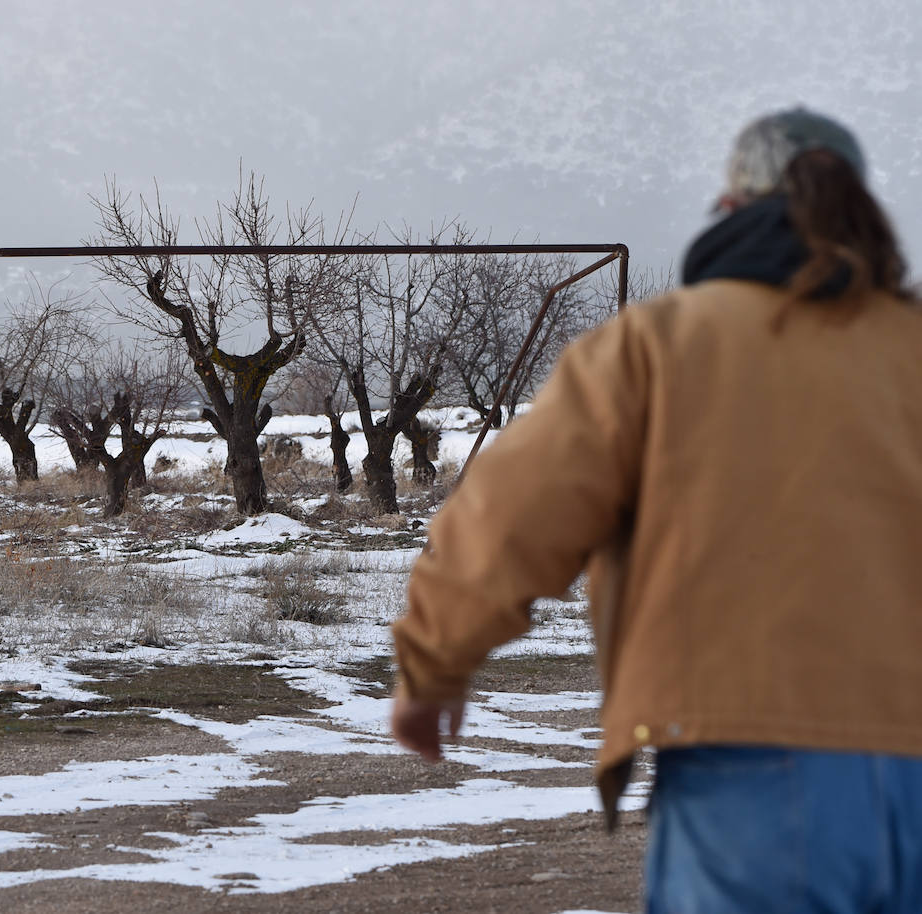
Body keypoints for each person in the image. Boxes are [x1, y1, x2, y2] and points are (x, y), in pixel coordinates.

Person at [390, 107, 922, 912]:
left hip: (751, 766)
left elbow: (509, 517)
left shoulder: (658, 346)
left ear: (733, 208)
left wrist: (432, 667)